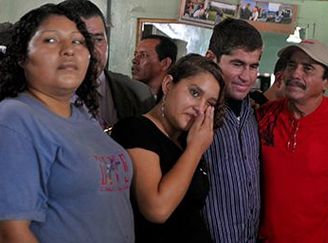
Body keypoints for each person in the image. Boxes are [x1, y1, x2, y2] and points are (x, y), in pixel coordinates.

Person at [0, 4, 134, 243]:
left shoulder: (82, 112)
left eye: (78, 42)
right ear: (21, 56)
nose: (69, 50)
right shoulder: (16, 117)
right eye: (51, 40)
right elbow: (11, 232)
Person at [256, 40, 328, 243]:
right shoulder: (266, 115)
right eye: (291, 65)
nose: (295, 74)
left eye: (307, 68)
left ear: (327, 82)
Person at [111, 54, 225, 243]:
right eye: (194, 93)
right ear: (168, 85)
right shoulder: (135, 129)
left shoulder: (185, 140)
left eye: (210, 104)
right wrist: (196, 149)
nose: (200, 108)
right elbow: (157, 209)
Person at [202, 18, 263, 243]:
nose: (246, 76)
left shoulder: (255, 113)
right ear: (211, 59)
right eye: (237, 64)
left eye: (253, 66)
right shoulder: (195, 114)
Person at [59, 0, 155, 131]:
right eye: (79, 41)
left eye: (98, 39)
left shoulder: (139, 95)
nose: (92, 50)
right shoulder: (36, 100)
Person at [132, 34, 177, 99]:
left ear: (165, 63)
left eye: (143, 55)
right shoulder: (126, 95)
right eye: (135, 55)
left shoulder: (171, 104)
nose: (134, 60)